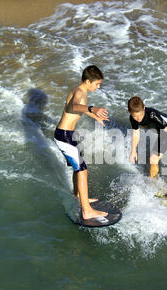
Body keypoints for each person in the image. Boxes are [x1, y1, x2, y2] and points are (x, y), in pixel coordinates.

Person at [54, 65, 109, 221]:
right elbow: (73, 106)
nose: (98, 87)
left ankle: (79, 197)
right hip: (64, 136)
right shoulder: (80, 91)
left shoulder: (80, 91)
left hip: (67, 135)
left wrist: (95, 116)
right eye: (97, 84)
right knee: (82, 171)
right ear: (88, 81)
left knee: (78, 167)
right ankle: (87, 210)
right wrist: (92, 108)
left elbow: (79, 109)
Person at [127, 96, 167, 200]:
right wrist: (133, 151)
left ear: (144, 108)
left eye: (140, 115)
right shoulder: (133, 118)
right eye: (135, 116)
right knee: (153, 159)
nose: (139, 119)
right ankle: (153, 184)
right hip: (163, 132)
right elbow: (136, 133)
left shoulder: (152, 114)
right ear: (130, 112)